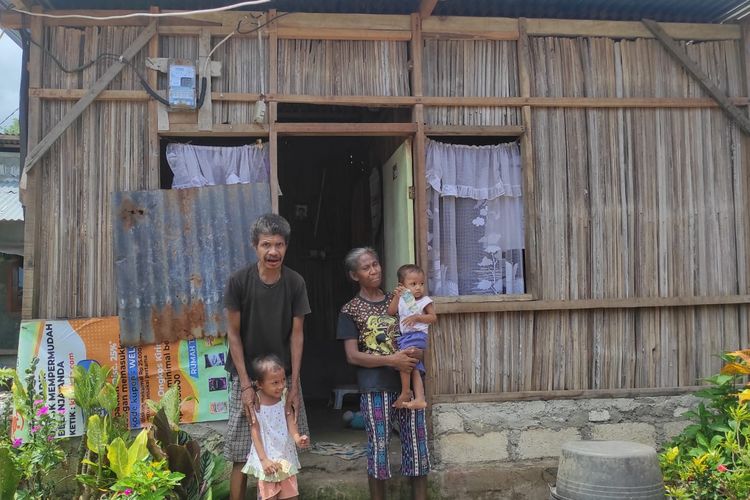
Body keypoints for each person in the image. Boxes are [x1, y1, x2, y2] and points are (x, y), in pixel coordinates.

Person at [224, 213, 311, 500]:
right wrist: (247, 385)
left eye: (279, 245)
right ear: (255, 246)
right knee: (240, 452)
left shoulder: (295, 282)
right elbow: (233, 335)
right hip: (245, 375)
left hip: (279, 378)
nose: (273, 252)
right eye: (266, 245)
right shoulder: (238, 282)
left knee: (287, 445)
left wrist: (293, 384)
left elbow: (296, 335)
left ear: (286, 246)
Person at [336, 247, 431, 500]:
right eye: (366, 267)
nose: (374, 270)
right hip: (375, 386)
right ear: (355, 275)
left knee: (418, 446)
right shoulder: (350, 310)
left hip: (409, 381)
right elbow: (352, 356)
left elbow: (417, 330)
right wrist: (392, 359)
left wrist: (417, 353)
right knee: (379, 449)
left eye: (375, 264)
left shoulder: (400, 299)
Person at [243, 354, 310, 500]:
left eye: (283, 380)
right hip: (267, 459)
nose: (281, 386)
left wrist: (297, 437)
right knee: (268, 496)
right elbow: (255, 431)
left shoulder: (284, 397)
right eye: (275, 382)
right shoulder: (256, 402)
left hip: (285, 456)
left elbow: (289, 417)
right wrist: (263, 460)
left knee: (291, 495)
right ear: (259, 384)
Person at [387, 264, 436, 410]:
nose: (418, 288)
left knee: (404, 360)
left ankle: (405, 391)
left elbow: (433, 318)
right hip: (405, 337)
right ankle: (420, 398)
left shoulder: (424, 300)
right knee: (413, 366)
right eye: (413, 284)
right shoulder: (403, 298)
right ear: (402, 285)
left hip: (417, 335)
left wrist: (417, 318)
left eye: (421, 284)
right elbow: (391, 311)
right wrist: (397, 295)